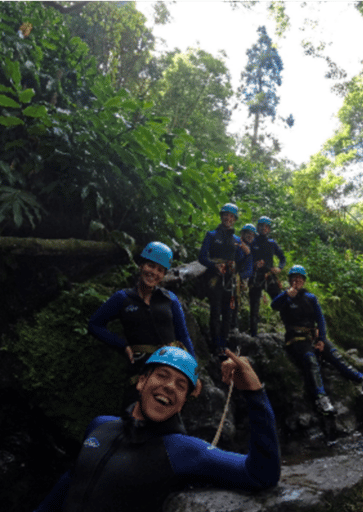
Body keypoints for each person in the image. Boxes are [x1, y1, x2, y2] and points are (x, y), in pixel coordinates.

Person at [32, 346, 281, 512]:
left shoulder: (183, 451)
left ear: (183, 402)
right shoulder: (101, 426)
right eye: (162, 375)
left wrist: (254, 392)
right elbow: (73, 480)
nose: (170, 386)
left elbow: (261, 474)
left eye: (181, 385)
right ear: (142, 381)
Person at [88, 241, 197, 404]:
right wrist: (122, 345)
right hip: (139, 373)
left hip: (169, 372)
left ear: (164, 274)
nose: (154, 272)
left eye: (160, 270)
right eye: (151, 266)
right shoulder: (123, 298)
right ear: (141, 265)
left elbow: (184, 336)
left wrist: (194, 373)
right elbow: (94, 325)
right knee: (132, 419)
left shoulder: (170, 299)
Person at [271, 265, 363, 415]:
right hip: (295, 339)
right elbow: (274, 306)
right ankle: (321, 398)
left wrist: (321, 339)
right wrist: (286, 295)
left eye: (300, 278)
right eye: (294, 278)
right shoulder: (285, 298)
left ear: (304, 281)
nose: (297, 281)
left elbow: (320, 320)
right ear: (290, 280)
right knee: (310, 360)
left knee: (334, 355)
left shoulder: (310, 298)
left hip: (312, 337)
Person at [198, 203, 251, 356]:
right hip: (215, 279)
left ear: (234, 219)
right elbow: (202, 257)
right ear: (221, 216)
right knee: (215, 311)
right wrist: (215, 265)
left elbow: (241, 263)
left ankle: (224, 344)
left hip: (231, 281)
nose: (228, 218)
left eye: (231, 216)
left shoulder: (237, 240)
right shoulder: (211, 235)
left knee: (228, 313)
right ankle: (216, 345)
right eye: (226, 215)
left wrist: (247, 254)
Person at [248, 216, 286, 336]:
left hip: (269, 276)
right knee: (254, 306)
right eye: (261, 226)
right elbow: (245, 258)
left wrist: (279, 268)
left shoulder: (272, 243)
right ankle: (253, 334)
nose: (263, 228)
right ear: (257, 227)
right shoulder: (252, 241)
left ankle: (290, 329)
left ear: (269, 229)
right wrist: (253, 265)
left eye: (266, 227)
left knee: (282, 302)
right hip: (255, 277)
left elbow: (282, 258)